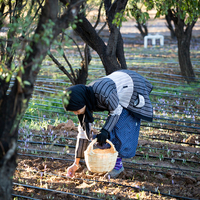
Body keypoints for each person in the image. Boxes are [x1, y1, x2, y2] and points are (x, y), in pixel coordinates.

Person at [62, 69, 153, 178]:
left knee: (121, 126)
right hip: (118, 89)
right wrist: (75, 164)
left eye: (76, 110)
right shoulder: (86, 98)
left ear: (82, 102)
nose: (75, 113)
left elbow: (116, 111)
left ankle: (118, 166)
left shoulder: (103, 93)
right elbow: (83, 132)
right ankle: (110, 163)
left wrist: (105, 131)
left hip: (132, 86)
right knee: (110, 128)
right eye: (73, 111)